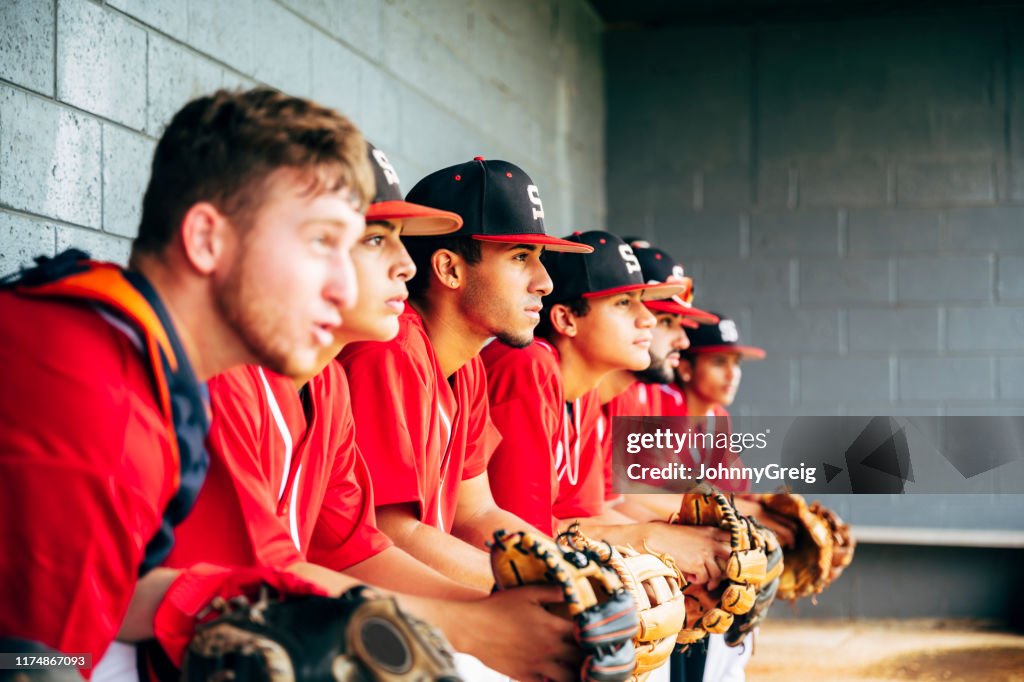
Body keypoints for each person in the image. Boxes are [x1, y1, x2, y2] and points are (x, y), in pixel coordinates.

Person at [164, 145, 577, 682]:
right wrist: (483, 620)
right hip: (158, 648)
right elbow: (263, 577)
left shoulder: (333, 378)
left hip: (276, 629)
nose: (404, 264)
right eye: (375, 240)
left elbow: (364, 547)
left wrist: (525, 604)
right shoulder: (385, 352)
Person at [0, 87, 374, 675]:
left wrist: (235, 601)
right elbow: (36, 658)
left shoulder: (137, 353)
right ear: (206, 239)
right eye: (321, 242)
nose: (345, 289)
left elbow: (103, 604)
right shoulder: (100, 398)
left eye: (351, 250)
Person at [337, 156, 591, 681]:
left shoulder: (468, 366)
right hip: (372, 609)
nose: (545, 281)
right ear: (450, 269)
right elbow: (389, 532)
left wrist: (572, 579)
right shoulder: (390, 351)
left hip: (409, 597)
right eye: (521, 257)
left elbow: (477, 513)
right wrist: (530, 600)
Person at [482, 231, 734, 589]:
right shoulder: (528, 365)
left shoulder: (584, 393)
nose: (646, 319)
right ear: (566, 319)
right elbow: (523, 538)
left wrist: (675, 545)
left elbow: (582, 517)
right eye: (623, 303)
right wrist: (653, 542)